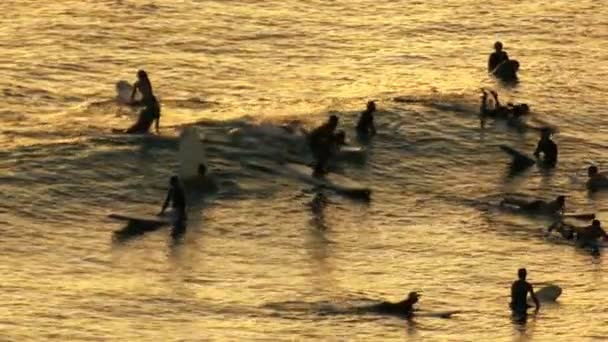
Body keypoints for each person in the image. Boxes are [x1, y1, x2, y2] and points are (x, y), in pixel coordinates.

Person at [126, 70, 161, 134]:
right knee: (156, 113)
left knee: (156, 113)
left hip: (148, 103)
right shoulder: (146, 81)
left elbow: (134, 94)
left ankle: (156, 129)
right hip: (151, 102)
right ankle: (156, 128)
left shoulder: (140, 83)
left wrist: (132, 102)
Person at [501, 195, 565, 216]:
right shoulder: (556, 204)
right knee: (523, 206)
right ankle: (507, 200)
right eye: (563, 201)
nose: (564, 202)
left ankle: (508, 200)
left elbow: (561, 211)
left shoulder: (559, 204)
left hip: (540, 204)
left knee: (524, 204)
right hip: (538, 205)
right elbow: (561, 212)